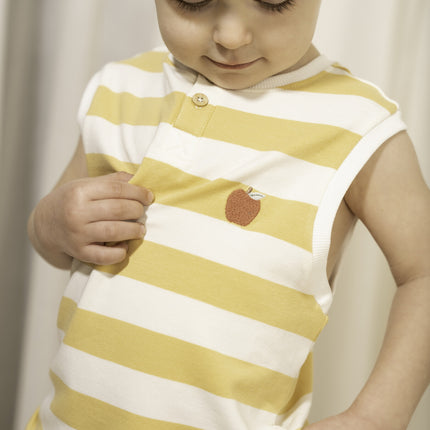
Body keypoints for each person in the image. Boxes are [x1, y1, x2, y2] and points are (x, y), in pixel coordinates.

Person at [26, 1, 430, 429]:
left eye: (274, 1)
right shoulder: (119, 89)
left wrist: (376, 415)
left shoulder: (357, 124)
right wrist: (50, 224)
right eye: (193, 0)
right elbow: (53, 242)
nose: (231, 36)